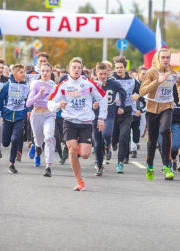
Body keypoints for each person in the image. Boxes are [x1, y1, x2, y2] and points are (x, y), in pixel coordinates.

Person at [48, 57, 108, 191]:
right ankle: (79, 181)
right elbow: (50, 102)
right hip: (69, 122)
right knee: (73, 149)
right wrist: (58, 105)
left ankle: (77, 153)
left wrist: (101, 118)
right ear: (69, 69)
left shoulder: (89, 84)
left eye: (79, 68)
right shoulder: (63, 86)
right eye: (74, 67)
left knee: (86, 154)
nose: (76, 70)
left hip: (86, 122)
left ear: (82, 70)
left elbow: (103, 98)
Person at [139, 48, 180, 181]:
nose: (166, 60)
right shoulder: (152, 72)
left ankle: (167, 166)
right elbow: (142, 91)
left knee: (166, 130)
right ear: (158, 59)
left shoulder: (172, 72)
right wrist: (158, 81)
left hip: (167, 106)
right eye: (163, 58)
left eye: (168, 58)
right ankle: (149, 165)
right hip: (152, 108)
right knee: (152, 140)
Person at [0, 64, 30, 174]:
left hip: (20, 117)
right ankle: (6, 143)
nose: (24, 74)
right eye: (21, 72)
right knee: (5, 143)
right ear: (14, 74)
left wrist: (28, 110)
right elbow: (0, 99)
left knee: (15, 139)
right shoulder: (7, 85)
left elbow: (28, 100)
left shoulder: (27, 86)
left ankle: (11, 163)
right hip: (7, 116)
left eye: (24, 72)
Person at [92, 62, 126, 176]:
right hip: (96, 116)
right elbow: (87, 97)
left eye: (104, 73)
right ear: (96, 73)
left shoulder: (114, 83)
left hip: (109, 114)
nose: (102, 76)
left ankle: (107, 146)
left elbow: (123, 93)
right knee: (97, 142)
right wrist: (93, 104)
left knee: (106, 134)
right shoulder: (93, 85)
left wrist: (121, 106)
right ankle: (99, 165)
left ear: (108, 72)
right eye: (100, 74)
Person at [26, 63, 56, 177]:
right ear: (40, 72)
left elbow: (57, 101)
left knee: (48, 137)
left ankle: (48, 166)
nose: (45, 73)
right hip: (36, 114)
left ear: (51, 72)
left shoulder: (54, 86)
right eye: (43, 71)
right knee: (38, 140)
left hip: (49, 114)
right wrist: (39, 93)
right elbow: (28, 103)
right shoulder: (35, 84)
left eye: (48, 71)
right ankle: (37, 150)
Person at [111, 56, 141, 172]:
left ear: (125, 68)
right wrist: (113, 98)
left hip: (127, 112)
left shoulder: (133, 81)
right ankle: (112, 144)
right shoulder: (111, 80)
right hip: (113, 111)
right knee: (114, 137)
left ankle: (120, 163)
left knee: (124, 136)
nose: (119, 69)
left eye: (121, 67)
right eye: (117, 67)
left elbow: (141, 91)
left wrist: (137, 95)